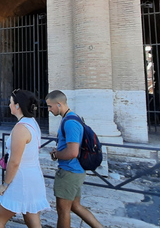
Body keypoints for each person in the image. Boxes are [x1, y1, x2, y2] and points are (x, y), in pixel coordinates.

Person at [0, 89, 49, 228]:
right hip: (33, 176)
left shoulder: (21, 128)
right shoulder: (32, 123)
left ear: (17, 106)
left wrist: (5, 184)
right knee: (32, 220)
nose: (9, 105)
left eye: (10, 102)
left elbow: (15, 161)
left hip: (21, 179)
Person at [46, 90, 102, 228]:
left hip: (70, 171)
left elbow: (72, 152)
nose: (48, 110)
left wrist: (57, 154)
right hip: (75, 170)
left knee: (63, 210)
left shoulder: (70, 123)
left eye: (50, 106)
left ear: (59, 104)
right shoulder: (71, 117)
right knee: (75, 206)